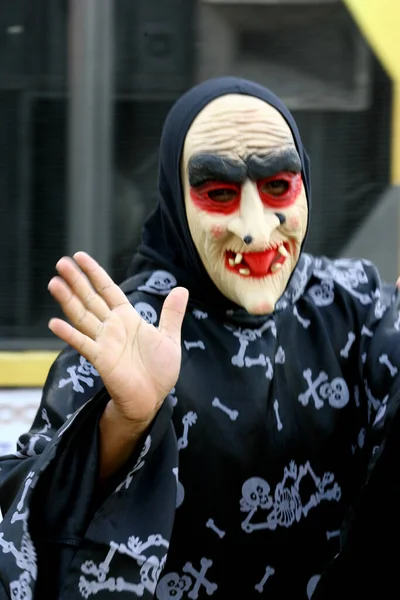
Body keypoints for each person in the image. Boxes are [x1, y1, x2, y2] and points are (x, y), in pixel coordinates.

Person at [0, 77, 399, 599]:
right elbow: (25, 525)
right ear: (175, 199)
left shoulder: (356, 305)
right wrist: (124, 425)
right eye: (219, 193)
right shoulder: (127, 329)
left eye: (278, 186)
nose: (255, 229)